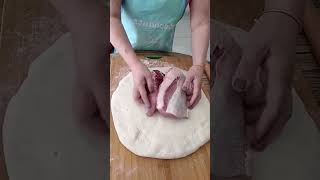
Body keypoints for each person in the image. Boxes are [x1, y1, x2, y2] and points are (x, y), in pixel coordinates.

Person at [110, 0, 209, 110]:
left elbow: (200, 23)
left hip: (163, 53)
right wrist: (134, 64)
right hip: (125, 54)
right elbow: (111, 18)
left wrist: (198, 66)